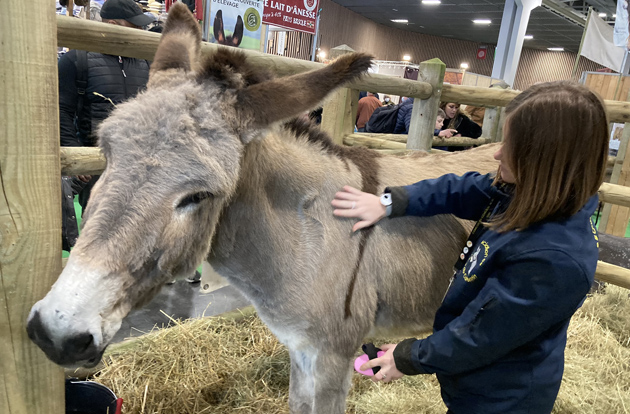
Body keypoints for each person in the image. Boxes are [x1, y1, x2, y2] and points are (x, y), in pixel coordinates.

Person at [331, 81, 609, 414]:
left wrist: (407, 358)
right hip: (474, 380)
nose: (496, 153)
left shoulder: (553, 260)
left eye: (513, 145)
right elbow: (460, 189)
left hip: (503, 397)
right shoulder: (524, 194)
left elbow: (480, 336)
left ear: (545, 159)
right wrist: (389, 202)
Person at [59, 0, 154, 250]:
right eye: (133, 26)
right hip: (95, 161)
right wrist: (75, 152)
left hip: (139, 162)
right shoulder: (76, 60)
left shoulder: (143, 62)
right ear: (112, 25)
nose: (140, 32)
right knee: (98, 226)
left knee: (138, 224)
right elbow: (62, 110)